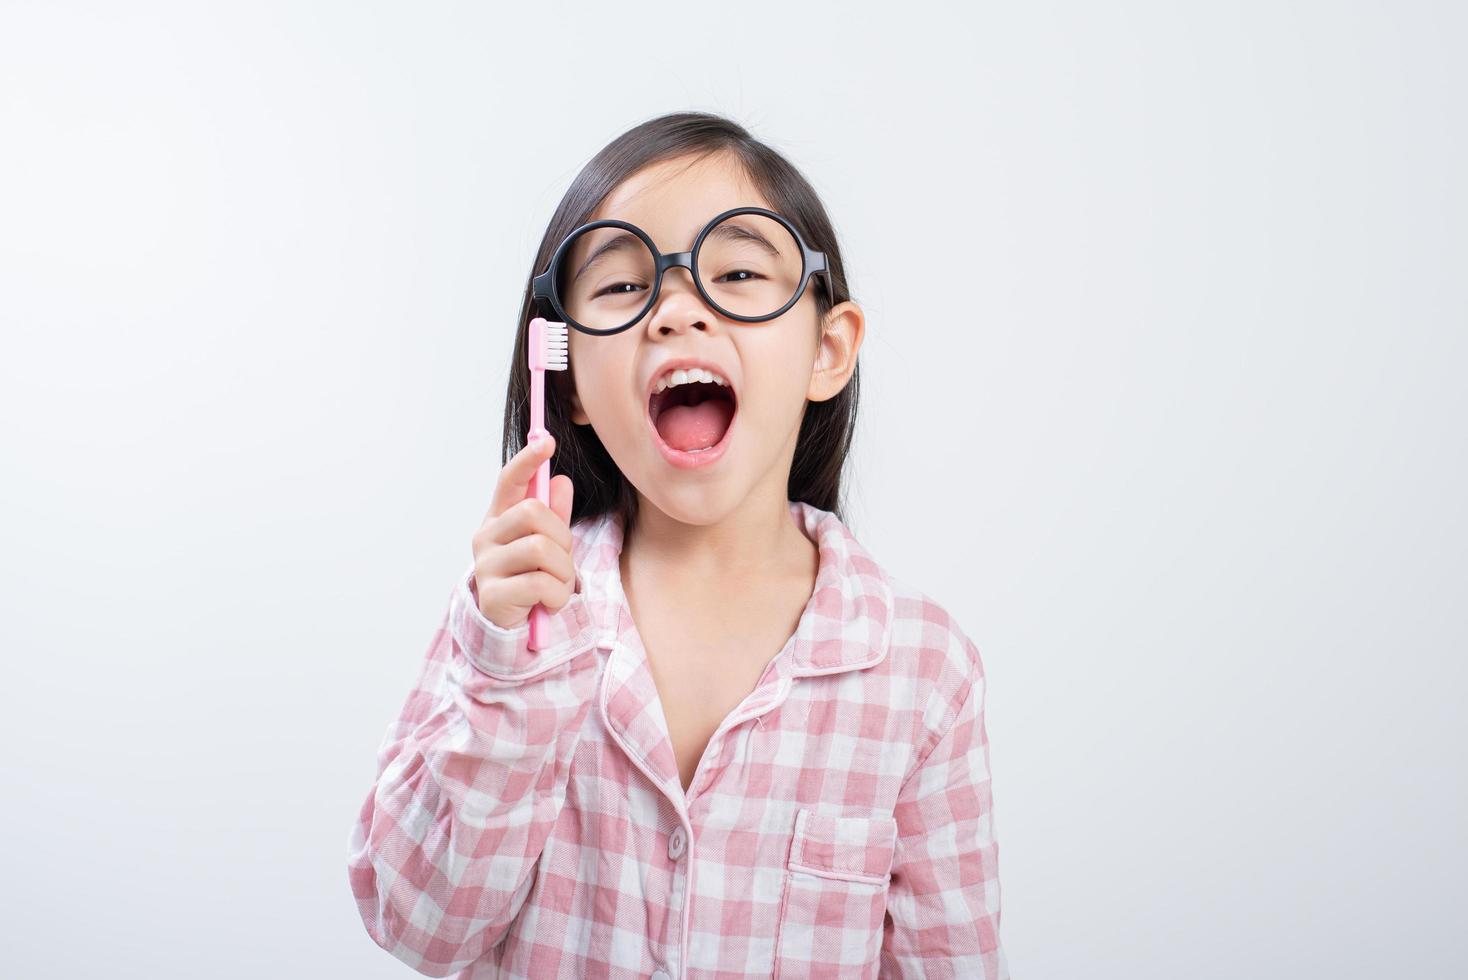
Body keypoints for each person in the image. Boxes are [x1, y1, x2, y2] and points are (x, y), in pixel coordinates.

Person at [347, 110, 1011, 979]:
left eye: (736, 272)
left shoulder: (923, 670)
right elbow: (418, 926)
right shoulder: (514, 620)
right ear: (572, 381)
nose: (676, 312)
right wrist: (510, 682)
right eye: (622, 289)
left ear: (829, 349)